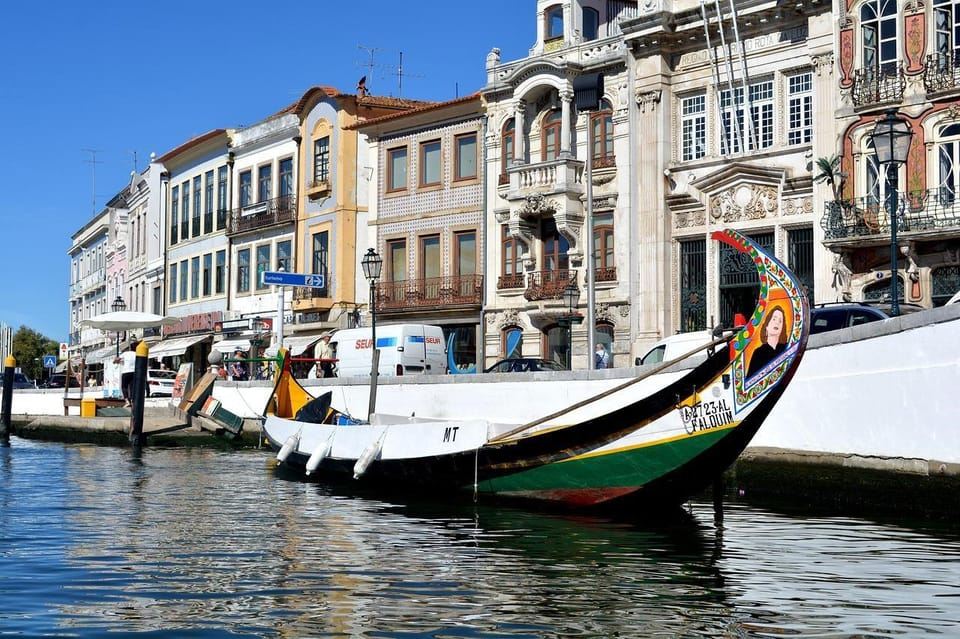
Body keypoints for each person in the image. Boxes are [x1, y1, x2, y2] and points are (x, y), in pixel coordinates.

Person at [747, 307, 788, 379]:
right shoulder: (758, 353)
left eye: (780, 321)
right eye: (774, 319)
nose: (777, 323)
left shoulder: (786, 347)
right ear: (767, 326)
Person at [119, 341, 138, 406]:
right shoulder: (136, 354)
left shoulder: (125, 353)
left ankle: (127, 401)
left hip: (126, 372)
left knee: (124, 387)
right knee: (132, 387)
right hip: (134, 372)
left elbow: (116, 359)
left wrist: (117, 361)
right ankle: (132, 400)